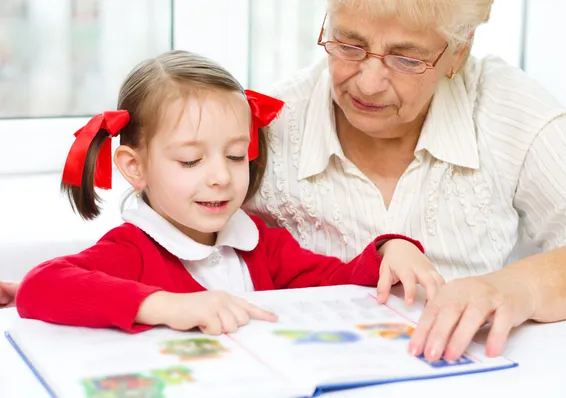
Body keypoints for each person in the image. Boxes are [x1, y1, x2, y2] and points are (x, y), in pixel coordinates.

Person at [243, 0, 566, 363]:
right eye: (349, 45)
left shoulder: (508, 109)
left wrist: (517, 287)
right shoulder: (271, 124)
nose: (368, 84)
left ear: (459, 53)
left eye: (407, 60)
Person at [13, 50, 442, 335]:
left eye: (236, 156)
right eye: (190, 161)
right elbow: (39, 287)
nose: (221, 177)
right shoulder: (133, 250)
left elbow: (336, 282)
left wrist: (390, 249)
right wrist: (164, 306)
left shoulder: (264, 244)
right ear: (135, 167)